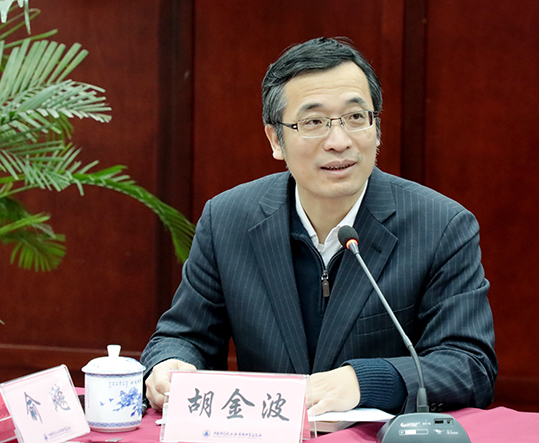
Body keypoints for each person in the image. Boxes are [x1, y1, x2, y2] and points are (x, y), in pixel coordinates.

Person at [141, 37, 497, 416]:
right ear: (276, 139)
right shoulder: (227, 220)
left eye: (356, 117)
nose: (339, 142)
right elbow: (183, 336)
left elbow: (470, 364)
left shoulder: (440, 226)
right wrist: (169, 365)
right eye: (313, 122)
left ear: (376, 128)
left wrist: (364, 381)